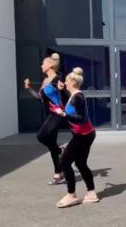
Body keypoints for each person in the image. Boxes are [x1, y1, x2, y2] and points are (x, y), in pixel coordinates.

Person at [54, 68, 99, 208]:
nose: (64, 83)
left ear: (73, 82)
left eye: (67, 81)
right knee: (80, 164)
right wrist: (61, 91)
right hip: (83, 134)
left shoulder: (78, 97)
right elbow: (69, 105)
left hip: (83, 136)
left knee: (64, 161)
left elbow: (81, 118)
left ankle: (71, 195)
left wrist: (64, 115)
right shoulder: (73, 96)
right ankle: (91, 193)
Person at [23, 52, 68, 185]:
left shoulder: (56, 80)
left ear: (49, 65)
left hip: (57, 114)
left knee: (41, 136)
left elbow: (66, 93)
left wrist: (62, 89)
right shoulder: (45, 81)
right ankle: (58, 175)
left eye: (43, 63)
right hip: (50, 114)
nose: (41, 65)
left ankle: (61, 151)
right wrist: (28, 88)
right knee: (52, 147)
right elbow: (39, 98)